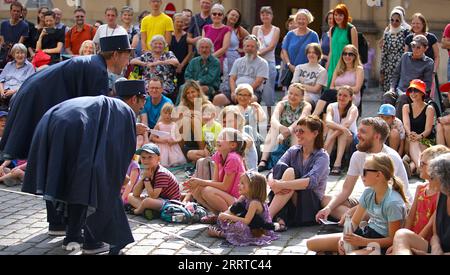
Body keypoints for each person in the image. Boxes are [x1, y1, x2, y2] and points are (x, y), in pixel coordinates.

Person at [23, 79, 148, 255]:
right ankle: (93, 241)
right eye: (143, 100)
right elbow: (112, 160)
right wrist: (118, 176)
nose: (143, 105)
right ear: (135, 99)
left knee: (67, 178)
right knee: (93, 183)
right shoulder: (124, 110)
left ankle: (64, 229)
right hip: (72, 128)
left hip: (51, 120)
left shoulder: (106, 103)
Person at [0, 35, 133, 161]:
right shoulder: (98, 70)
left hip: (34, 93)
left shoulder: (95, 65)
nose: (128, 62)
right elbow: (97, 113)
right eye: (127, 56)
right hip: (37, 98)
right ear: (115, 54)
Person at [307, 153, 407, 255]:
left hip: (379, 246)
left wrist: (363, 241)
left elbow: (393, 240)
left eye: (365, 172)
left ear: (378, 175)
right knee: (311, 243)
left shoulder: (393, 202)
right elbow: (354, 222)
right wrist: (343, 237)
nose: (361, 175)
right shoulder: (368, 193)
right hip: (366, 234)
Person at [316, 117, 411, 222]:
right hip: (369, 201)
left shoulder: (390, 157)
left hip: (390, 205)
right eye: (358, 130)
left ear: (377, 136)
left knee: (364, 211)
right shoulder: (357, 155)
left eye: (363, 132)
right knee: (326, 201)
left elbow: (385, 197)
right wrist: (328, 208)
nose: (358, 135)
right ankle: (355, 220)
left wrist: (351, 212)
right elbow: (346, 189)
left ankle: (355, 220)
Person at [268, 115, 329, 231]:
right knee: (282, 168)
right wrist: (272, 183)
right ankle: (276, 217)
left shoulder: (322, 156)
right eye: (296, 131)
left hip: (309, 204)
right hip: (289, 198)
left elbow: (311, 182)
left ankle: (269, 217)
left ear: (315, 134)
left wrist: (280, 185)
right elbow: (273, 170)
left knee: (290, 172)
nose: (297, 134)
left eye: (302, 131)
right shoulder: (293, 150)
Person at [392, 153, 450, 255]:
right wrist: (436, 249)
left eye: (433, 176)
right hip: (438, 250)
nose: (431, 179)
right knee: (402, 234)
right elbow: (436, 234)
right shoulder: (442, 195)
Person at [184, 128, 246, 219]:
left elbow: (225, 187)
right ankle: (218, 216)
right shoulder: (218, 155)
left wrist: (201, 181)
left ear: (232, 145)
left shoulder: (233, 158)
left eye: (223, 138)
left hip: (238, 202)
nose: (219, 140)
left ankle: (229, 217)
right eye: (219, 137)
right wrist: (195, 183)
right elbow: (215, 181)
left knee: (207, 190)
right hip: (226, 196)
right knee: (196, 189)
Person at [208, 171, 279, 246]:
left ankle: (221, 234)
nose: (238, 185)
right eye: (240, 183)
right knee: (225, 220)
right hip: (246, 222)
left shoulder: (254, 203)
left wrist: (228, 217)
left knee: (239, 226)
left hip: (257, 229)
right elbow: (232, 209)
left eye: (242, 183)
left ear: (253, 187)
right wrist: (224, 215)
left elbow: (246, 221)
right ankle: (225, 230)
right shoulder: (244, 197)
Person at [258, 83, 312, 172]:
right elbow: (273, 118)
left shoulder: (306, 105)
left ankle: (295, 162)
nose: (292, 96)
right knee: (273, 129)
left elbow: (301, 120)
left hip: (299, 134)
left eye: (296, 95)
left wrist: (289, 130)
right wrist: (281, 128)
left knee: (297, 132)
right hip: (282, 133)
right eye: (290, 93)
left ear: (302, 97)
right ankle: (263, 160)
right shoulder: (282, 104)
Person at [383, 35, 434, 119]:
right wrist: (391, 88)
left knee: (403, 98)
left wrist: (413, 93)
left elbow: (427, 85)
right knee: (387, 96)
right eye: (413, 46)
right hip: (399, 90)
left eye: (418, 47)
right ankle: (383, 125)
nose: (415, 49)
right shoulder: (405, 56)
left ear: (425, 48)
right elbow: (396, 75)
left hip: (414, 93)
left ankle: (398, 126)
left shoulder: (429, 63)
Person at [404, 146, 450, 240]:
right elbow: (410, 216)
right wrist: (405, 234)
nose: (419, 166)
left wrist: (414, 242)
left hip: (425, 240)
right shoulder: (420, 188)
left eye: (422, 164)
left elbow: (430, 226)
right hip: (412, 236)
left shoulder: (441, 194)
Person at [214, 35, 269, 106]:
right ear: (244, 48)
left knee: (251, 100)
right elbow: (232, 78)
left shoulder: (262, 63)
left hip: (252, 92)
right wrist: (234, 92)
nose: (249, 48)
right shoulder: (238, 61)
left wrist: (243, 93)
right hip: (236, 90)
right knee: (218, 99)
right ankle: (220, 117)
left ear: (257, 48)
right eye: (247, 46)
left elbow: (258, 82)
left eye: (252, 46)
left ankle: (246, 117)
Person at [128, 143, 181, 215]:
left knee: (147, 201)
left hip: (169, 203)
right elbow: (135, 193)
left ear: (158, 158)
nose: (146, 160)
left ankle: (138, 211)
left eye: (150, 157)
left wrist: (146, 180)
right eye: (143, 157)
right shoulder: (148, 171)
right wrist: (144, 178)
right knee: (130, 196)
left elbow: (153, 196)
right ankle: (149, 210)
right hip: (158, 200)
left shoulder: (161, 173)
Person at [314, 44, 364, 116]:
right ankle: (323, 123)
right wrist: (338, 91)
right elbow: (331, 86)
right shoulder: (338, 68)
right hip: (337, 95)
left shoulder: (359, 69)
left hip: (351, 97)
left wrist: (340, 89)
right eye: (345, 54)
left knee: (328, 93)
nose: (347, 56)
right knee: (328, 103)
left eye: (350, 54)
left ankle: (314, 116)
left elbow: (357, 88)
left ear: (355, 56)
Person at [402, 79, 436, 178]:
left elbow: (428, 130)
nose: (413, 93)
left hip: (425, 140)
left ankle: (413, 167)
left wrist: (418, 137)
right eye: (411, 90)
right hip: (410, 139)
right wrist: (410, 134)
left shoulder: (429, 108)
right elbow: (406, 125)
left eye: (416, 90)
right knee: (413, 142)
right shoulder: (406, 107)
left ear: (422, 93)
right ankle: (421, 169)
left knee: (417, 145)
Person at [130, 35, 179, 101]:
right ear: (151, 45)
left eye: (160, 44)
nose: (158, 45)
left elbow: (176, 62)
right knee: (143, 91)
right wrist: (145, 64)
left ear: (164, 46)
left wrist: (160, 62)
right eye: (155, 43)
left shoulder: (168, 54)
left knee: (158, 90)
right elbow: (132, 61)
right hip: (148, 83)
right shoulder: (147, 55)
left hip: (164, 83)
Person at [324, 86, 358, 175]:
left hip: (350, 138)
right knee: (335, 130)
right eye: (340, 95)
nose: (341, 98)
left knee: (342, 133)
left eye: (345, 96)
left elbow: (347, 124)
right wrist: (342, 129)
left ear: (350, 98)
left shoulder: (353, 109)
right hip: (335, 136)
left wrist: (330, 138)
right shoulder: (331, 106)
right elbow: (328, 122)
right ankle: (325, 163)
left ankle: (337, 163)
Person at [281, 9, 319, 88]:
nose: (301, 21)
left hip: (307, 72)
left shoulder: (313, 35)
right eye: (299, 19)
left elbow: (317, 53)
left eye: (303, 19)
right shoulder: (290, 34)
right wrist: (289, 65)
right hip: (291, 70)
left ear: (308, 20)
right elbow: (284, 50)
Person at [252, 6, 280, 107]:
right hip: (256, 63)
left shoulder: (276, 30)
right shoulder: (256, 28)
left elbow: (271, 46)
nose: (265, 16)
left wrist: (257, 53)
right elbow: (252, 43)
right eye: (262, 14)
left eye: (267, 14)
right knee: (255, 89)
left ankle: (270, 115)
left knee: (268, 91)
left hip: (269, 63)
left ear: (272, 16)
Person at [326, 3, 358, 88]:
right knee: (329, 89)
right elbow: (331, 50)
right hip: (333, 63)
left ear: (345, 15)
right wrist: (327, 66)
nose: (337, 17)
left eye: (340, 15)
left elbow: (355, 51)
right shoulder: (332, 29)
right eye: (335, 15)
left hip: (345, 63)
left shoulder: (351, 29)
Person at [380, 8, 410, 94]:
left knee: (400, 93)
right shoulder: (387, 34)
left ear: (401, 21)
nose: (394, 22)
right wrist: (382, 72)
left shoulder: (406, 32)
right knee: (389, 93)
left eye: (397, 20)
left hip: (401, 67)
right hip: (389, 69)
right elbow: (384, 53)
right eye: (392, 20)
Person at [0, 43, 35, 109]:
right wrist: (1, 90)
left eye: (22, 53)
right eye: (17, 53)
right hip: (4, 91)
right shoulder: (9, 65)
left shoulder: (30, 67)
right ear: (13, 54)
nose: (20, 55)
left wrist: (13, 91)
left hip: (17, 92)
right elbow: (1, 79)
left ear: (25, 54)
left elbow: (28, 84)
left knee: (16, 96)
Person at [202, 3, 231, 71]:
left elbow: (224, 48)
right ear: (211, 15)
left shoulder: (227, 29)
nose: (216, 16)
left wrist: (210, 57)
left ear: (223, 16)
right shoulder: (206, 28)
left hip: (219, 61)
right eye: (214, 14)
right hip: (205, 60)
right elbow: (202, 45)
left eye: (219, 14)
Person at [0, 2, 29, 69]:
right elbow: (2, 42)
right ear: (10, 11)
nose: (16, 13)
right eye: (14, 11)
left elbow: (19, 44)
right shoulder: (3, 24)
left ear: (21, 12)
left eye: (18, 11)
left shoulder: (25, 25)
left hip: (16, 54)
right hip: (4, 53)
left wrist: (12, 54)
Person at [170, 13, 194, 90]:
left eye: (181, 22)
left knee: (183, 88)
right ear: (173, 22)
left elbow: (190, 52)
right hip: (171, 66)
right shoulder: (169, 35)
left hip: (184, 66)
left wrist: (181, 65)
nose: (179, 24)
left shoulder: (187, 36)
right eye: (177, 21)